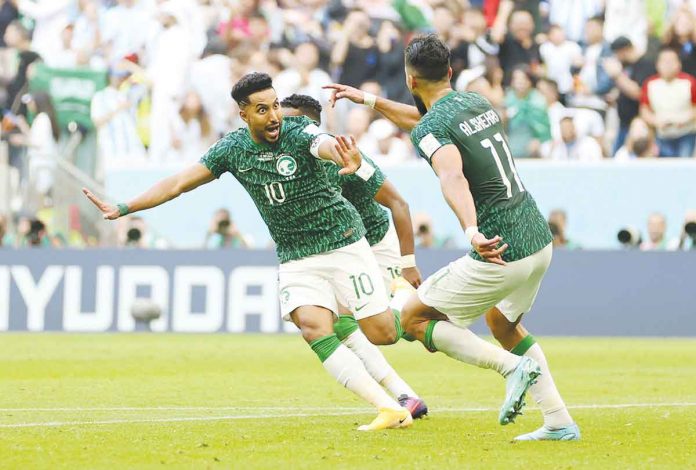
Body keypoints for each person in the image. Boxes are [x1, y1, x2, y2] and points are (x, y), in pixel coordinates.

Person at [83, 72, 413, 432]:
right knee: (313, 328)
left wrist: (341, 155)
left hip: (343, 243)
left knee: (384, 333)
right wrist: (126, 206)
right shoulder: (232, 149)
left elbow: (322, 143)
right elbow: (177, 183)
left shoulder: (298, 130)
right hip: (296, 256)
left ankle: (409, 302)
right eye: (262, 109)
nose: (273, 116)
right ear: (243, 114)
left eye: (274, 106)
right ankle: (387, 408)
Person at [326, 34, 580, 441]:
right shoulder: (476, 103)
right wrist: (369, 101)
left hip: (500, 248)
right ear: (449, 71)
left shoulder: (433, 127)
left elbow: (452, 174)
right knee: (502, 321)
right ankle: (558, 421)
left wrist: (471, 229)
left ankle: (512, 368)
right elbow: (424, 124)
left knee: (414, 317)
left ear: (410, 80)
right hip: (537, 237)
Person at [280, 93, 428, 419]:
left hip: (376, 244)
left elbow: (399, 204)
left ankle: (432, 309)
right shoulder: (289, 163)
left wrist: (407, 263)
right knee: (342, 323)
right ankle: (405, 396)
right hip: (342, 248)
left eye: (289, 119)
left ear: (307, 123)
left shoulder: (339, 153)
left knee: (395, 329)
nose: (280, 124)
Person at [639, 48, 696, 158]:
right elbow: (644, 110)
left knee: (683, 167)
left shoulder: (689, 82)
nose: (667, 65)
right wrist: (655, 121)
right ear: (657, 65)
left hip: (686, 133)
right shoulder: (650, 84)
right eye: (664, 61)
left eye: (671, 61)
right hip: (662, 135)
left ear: (679, 64)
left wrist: (685, 119)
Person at [603, 36, 656, 155]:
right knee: (617, 157)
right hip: (623, 123)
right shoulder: (626, 66)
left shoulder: (645, 65)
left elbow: (639, 93)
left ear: (625, 50)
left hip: (638, 126)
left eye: (617, 53)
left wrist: (617, 75)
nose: (616, 57)